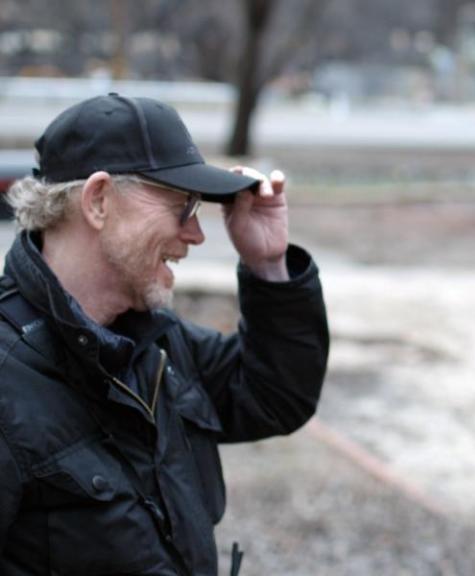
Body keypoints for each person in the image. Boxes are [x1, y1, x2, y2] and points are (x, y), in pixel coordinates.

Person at [0, 94, 329, 575]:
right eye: (182, 205)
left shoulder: (153, 340)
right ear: (98, 201)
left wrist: (268, 264)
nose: (195, 233)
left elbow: (274, 395)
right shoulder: (8, 378)